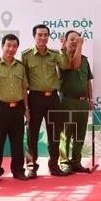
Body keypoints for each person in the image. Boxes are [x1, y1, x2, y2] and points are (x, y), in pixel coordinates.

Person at [0, 33, 29, 182]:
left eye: (14, 46)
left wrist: (27, 110)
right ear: (2, 46)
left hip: (17, 109)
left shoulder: (21, 66)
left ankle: (18, 170)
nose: (11, 49)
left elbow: (24, 89)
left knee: (17, 142)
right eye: (8, 45)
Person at [22, 24, 69, 178]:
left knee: (54, 134)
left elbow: (66, 65)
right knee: (32, 134)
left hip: (53, 99)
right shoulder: (26, 55)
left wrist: (63, 49)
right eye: (39, 35)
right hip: (35, 97)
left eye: (45, 35)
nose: (43, 38)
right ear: (34, 36)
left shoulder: (55, 54)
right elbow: (23, 81)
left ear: (48, 36)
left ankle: (54, 165)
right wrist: (26, 106)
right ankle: (31, 166)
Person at [59, 30, 92, 173]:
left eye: (77, 39)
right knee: (65, 135)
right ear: (65, 42)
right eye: (71, 39)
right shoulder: (62, 59)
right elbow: (74, 65)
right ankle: (64, 163)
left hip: (82, 103)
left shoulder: (85, 59)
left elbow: (88, 81)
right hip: (67, 101)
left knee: (80, 134)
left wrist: (90, 99)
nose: (75, 41)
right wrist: (79, 46)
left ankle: (76, 161)